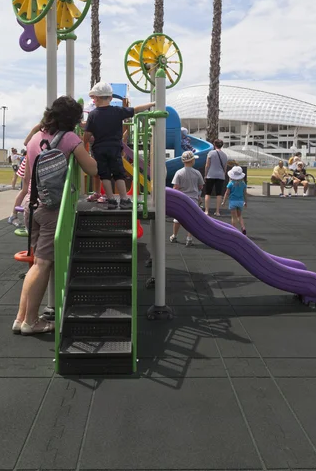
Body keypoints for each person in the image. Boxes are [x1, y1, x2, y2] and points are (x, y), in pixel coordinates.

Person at [13, 96, 97, 336]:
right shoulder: (70, 138)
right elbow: (92, 169)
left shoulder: (35, 139)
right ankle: (31, 321)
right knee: (43, 264)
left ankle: (21, 318)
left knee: (36, 263)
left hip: (32, 204)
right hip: (51, 208)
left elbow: (28, 178)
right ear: (72, 119)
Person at [83, 81, 155, 210]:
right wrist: (152, 104)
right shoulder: (117, 111)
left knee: (104, 174)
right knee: (118, 173)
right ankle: (124, 199)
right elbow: (136, 110)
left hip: (99, 149)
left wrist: (84, 145)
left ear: (96, 99)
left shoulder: (93, 115)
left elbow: (87, 133)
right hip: (115, 147)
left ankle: (111, 200)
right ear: (110, 98)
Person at [170, 151, 204, 247]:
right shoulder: (197, 173)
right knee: (191, 219)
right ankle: (189, 238)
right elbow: (201, 186)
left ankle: (174, 236)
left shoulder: (179, 172)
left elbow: (175, 187)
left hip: (181, 199)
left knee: (177, 219)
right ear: (192, 161)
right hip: (193, 199)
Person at [204, 139, 228, 216]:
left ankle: (207, 210)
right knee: (219, 194)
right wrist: (223, 174)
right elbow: (225, 167)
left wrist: (205, 174)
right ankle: (217, 211)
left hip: (210, 175)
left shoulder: (211, 153)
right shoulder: (225, 155)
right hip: (220, 176)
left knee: (208, 193)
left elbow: (207, 165)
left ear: (214, 145)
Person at [222, 165, 247, 235]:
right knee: (239, 216)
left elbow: (227, 193)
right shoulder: (243, 184)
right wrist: (245, 202)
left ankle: (234, 231)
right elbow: (245, 194)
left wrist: (223, 201)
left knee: (234, 217)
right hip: (240, 202)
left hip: (233, 202)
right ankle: (243, 227)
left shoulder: (231, 184)